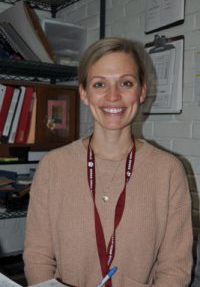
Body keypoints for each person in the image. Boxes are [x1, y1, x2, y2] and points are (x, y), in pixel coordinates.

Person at [23, 37, 193, 287]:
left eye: (125, 83)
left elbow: (175, 269)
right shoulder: (53, 166)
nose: (113, 96)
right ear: (83, 93)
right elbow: (37, 256)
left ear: (142, 91)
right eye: (100, 84)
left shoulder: (168, 171)